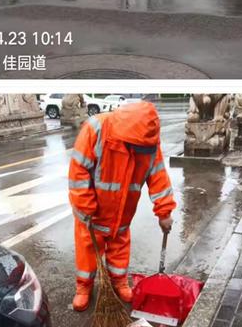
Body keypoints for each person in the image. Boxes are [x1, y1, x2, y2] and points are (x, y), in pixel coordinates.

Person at [68, 102, 177, 311]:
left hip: (123, 215)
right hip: (93, 214)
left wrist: (164, 212)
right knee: (87, 252)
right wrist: (86, 207)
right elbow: (78, 173)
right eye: (135, 148)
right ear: (125, 138)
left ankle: (119, 281)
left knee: (119, 249)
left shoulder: (148, 142)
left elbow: (158, 177)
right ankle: (84, 287)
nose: (140, 153)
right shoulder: (96, 130)